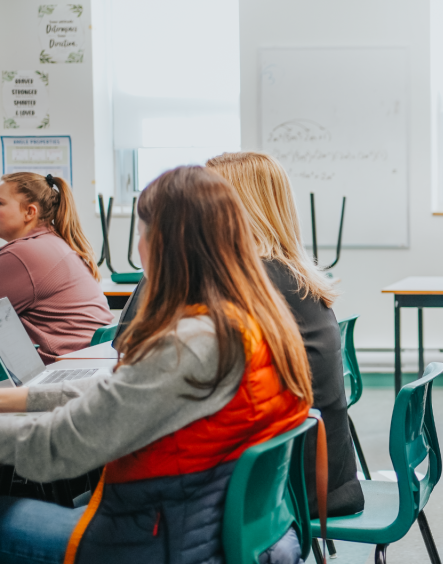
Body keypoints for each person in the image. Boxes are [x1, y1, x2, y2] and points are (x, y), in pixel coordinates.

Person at [0, 166, 313, 564]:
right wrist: (14, 399)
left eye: (141, 232)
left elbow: (59, 447)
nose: (140, 244)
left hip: (154, 542)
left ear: (164, 242)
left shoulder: (195, 343)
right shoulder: (255, 322)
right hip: (217, 532)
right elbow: (127, 391)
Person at [206, 151, 364, 518]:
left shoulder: (250, 279)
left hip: (290, 486)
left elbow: (131, 339)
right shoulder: (288, 272)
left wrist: (168, 251)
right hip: (325, 474)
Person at [0, 172, 111, 363]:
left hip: (64, 371)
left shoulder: (24, 254)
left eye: (0, 203)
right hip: (88, 364)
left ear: (30, 212)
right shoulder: (52, 242)